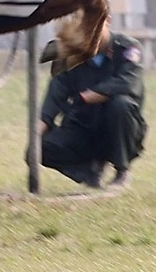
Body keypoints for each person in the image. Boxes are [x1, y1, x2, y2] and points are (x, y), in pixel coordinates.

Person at [34, 15, 147, 189]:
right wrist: (35, 138)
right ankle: (90, 173)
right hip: (83, 129)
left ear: (107, 20)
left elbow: (126, 83)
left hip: (119, 131)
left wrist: (85, 97)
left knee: (121, 105)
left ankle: (121, 171)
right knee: (40, 147)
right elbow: (54, 96)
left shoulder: (126, 49)